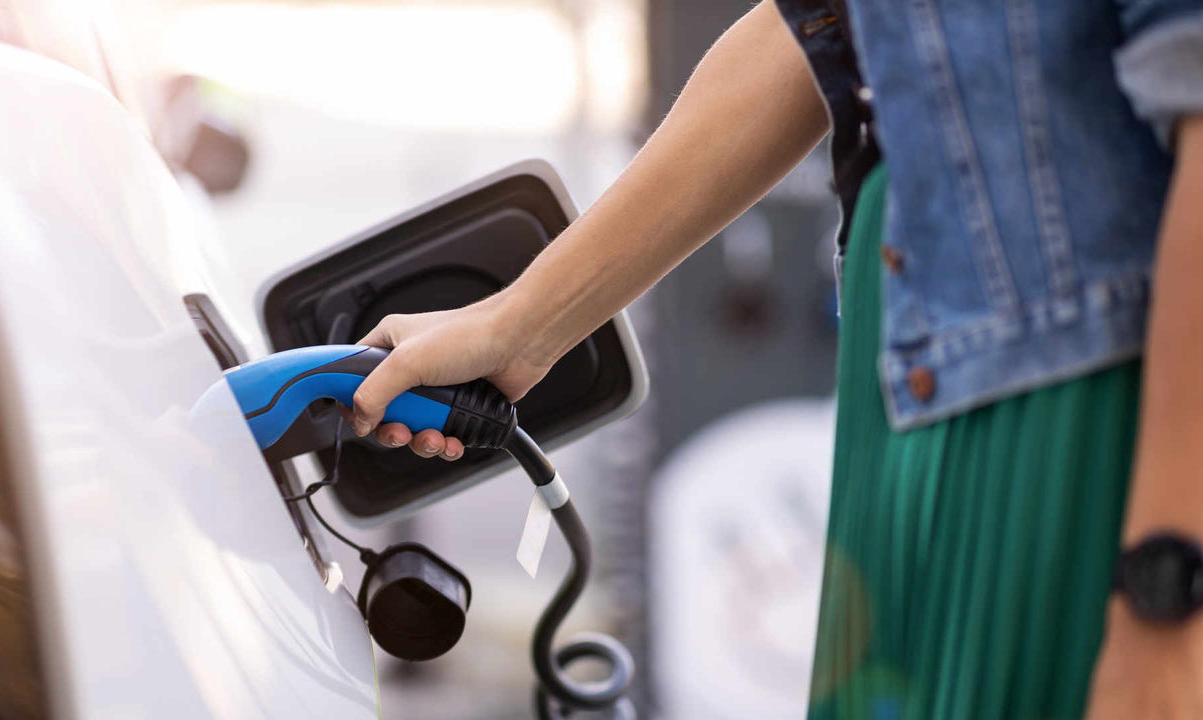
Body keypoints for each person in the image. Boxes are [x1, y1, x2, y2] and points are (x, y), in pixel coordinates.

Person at [343, 1, 1203, 717]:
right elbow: (809, 31)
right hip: (909, 400)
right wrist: (520, 323)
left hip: (1088, 420)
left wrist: (1169, 602)